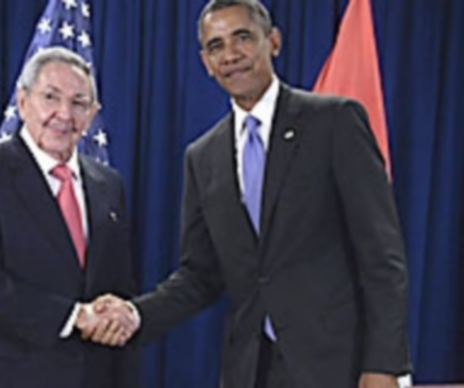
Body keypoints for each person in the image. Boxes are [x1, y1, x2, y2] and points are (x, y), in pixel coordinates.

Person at [87, 0, 412, 387]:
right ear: (206, 63)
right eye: (216, 46)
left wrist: (383, 365)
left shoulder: (334, 121)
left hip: (338, 365)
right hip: (250, 370)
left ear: (273, 41)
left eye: (242, 37)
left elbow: (381, 254)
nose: (230, 55)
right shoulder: (202, 157)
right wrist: (136, 314)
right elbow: (200, 276)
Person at [0, 46, 139, 388]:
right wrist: (75, 316)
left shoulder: (108, 185)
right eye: (50, 97)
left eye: (78, 103)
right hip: (1, 378)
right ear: (22, 101)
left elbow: (117, 284)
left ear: (92, 114)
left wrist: (122, 314)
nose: (64, 114)